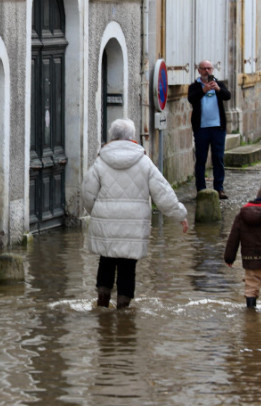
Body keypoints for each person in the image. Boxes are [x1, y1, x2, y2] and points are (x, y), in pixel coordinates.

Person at [81, 118, 189, 309]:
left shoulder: (100, 161)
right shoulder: (144, 162)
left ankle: (102, 304)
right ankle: (123, 310)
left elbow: (87, 195)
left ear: (111, 138)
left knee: (106, 261)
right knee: (128, 266)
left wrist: (98, 213)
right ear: (132, 138)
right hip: (133, 227)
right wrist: (180, 215)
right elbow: (163, 193)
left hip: (106, 225)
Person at [187, 59, 233, 199]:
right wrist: (203, 90)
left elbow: (228, 96)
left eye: (209, 68)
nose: (207, 71)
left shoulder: (218, 84)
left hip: (218, 128)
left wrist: (218, 89)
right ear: (199, 70)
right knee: (201, 158)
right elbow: (191, 99)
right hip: (201, 128)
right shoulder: (194, 86)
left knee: (218, 158)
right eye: (204, 68)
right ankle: (201, 189)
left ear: (212, 70)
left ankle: (219, 188)